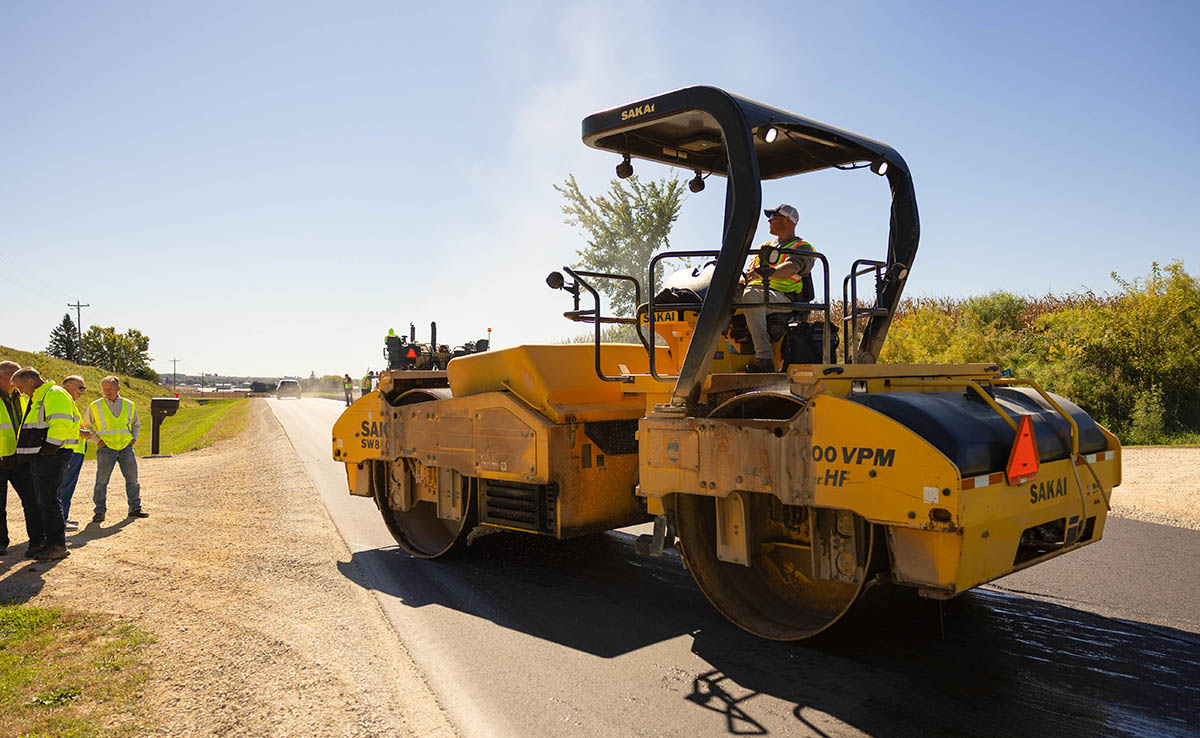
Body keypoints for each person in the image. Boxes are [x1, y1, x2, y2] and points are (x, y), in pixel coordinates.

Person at [737, 204, 815, 372]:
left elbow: (792, 267)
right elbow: (750, 271)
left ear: (787, 221)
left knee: (751, 297)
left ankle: (765, 358)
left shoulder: (802, 247)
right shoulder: (763, 247)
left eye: (772, 218)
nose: (769, 221)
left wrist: (764, 275)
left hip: (784, 298)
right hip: (757, 292)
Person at [11, 367, 79, 560]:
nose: (21, 391)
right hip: (46, 455)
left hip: (53, 455)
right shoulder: (40, 397)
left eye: (21, 386)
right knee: (44, 500)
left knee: (49, 500)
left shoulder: (54, 394)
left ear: (31, 381)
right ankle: (50, 543)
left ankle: (57, 545)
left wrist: (48, 451)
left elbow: (61, 424)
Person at [86, 376, 147, 523]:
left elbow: (136, 424)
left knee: (132, 479)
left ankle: (135, 508)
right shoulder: (95, 406)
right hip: (106, 448)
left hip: (126, 447)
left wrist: (134, 439)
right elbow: (86, 426)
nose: (107, 391)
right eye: (105, 388)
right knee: (101, 481)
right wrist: (97, 441)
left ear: (118, 388)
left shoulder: (129, 404)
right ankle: (99, 511)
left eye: (110, 388)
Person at [0, 360, 39, 557]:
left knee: (33, 500)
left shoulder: (24, 396)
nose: (18, 378)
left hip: (22, 458)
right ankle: (0, 544)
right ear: (1, 375)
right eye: (13, 374)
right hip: (0, 459)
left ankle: (37, 541)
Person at [57, 375, 90, 532]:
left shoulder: (69, 402)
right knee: (65, 486)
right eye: (80, 387)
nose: (83, 391)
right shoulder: (62, 401)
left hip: (76, 450)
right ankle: (60, 520)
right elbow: (61, 424)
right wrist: (81, 433)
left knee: (68, 486)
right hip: (70, 451)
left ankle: (63, 517)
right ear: (68, 386)